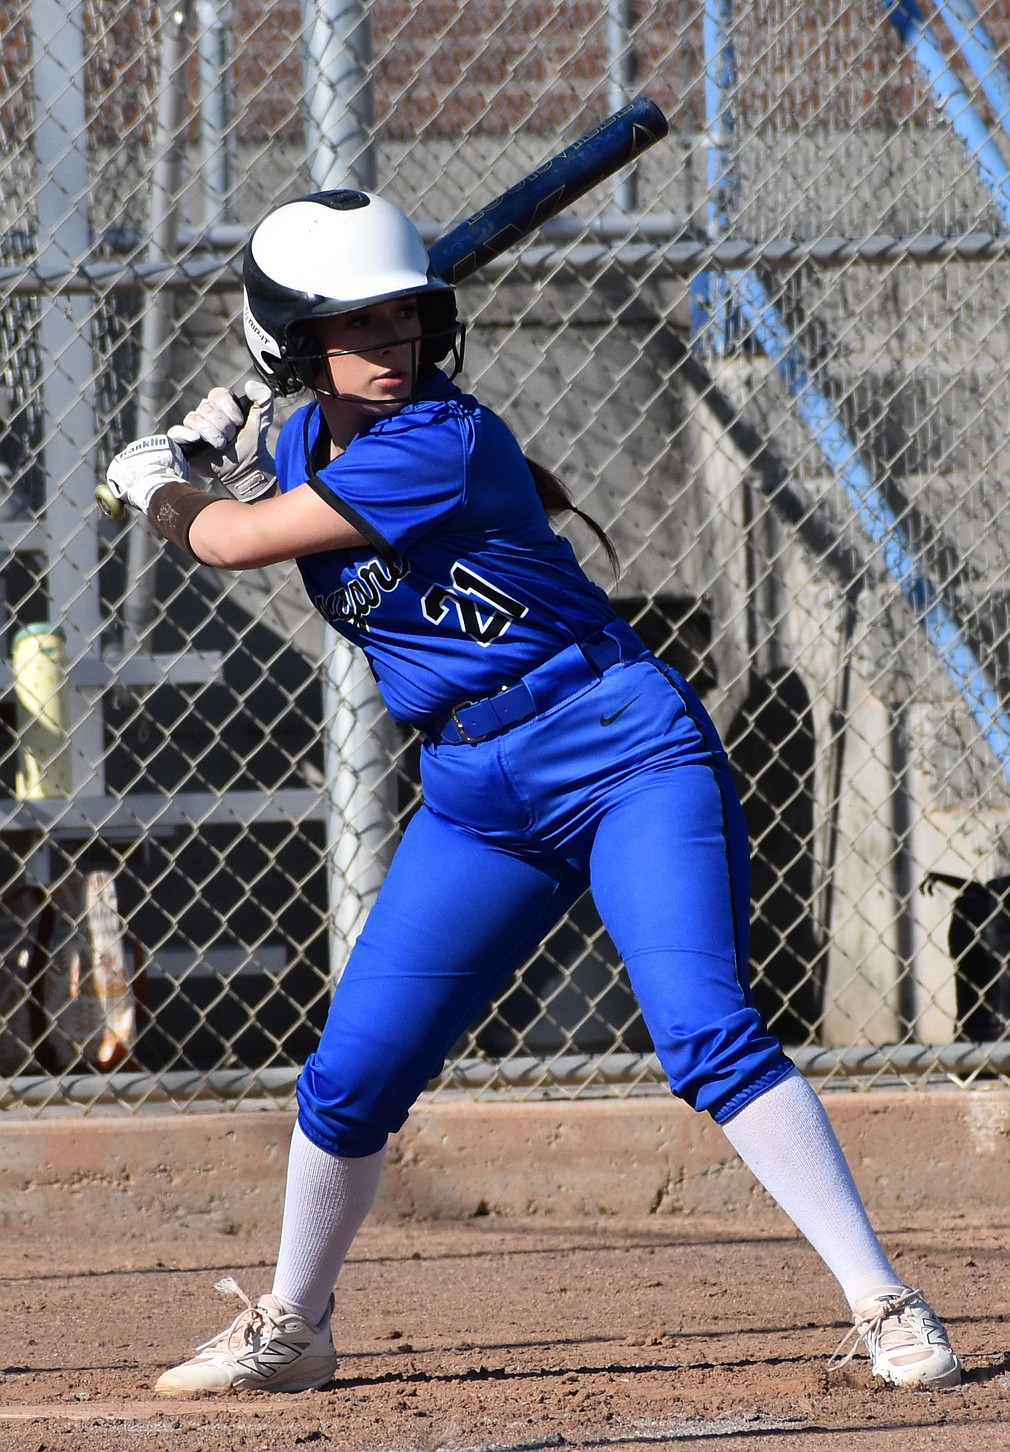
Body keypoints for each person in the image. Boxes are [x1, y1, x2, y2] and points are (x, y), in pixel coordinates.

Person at [106, 188, 960, 1396]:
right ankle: (294, 1324)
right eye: (365, 328)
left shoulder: (442, 439)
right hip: (472, 791)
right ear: (295, 349)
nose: (399, 346)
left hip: (620, 750)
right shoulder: (304, 438)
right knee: (351, 1074)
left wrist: (163, 484)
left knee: (706, 1034)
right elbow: (266, 489)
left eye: (411, 320)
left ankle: (884, 1297)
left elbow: (232, 544)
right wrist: (228, 443)